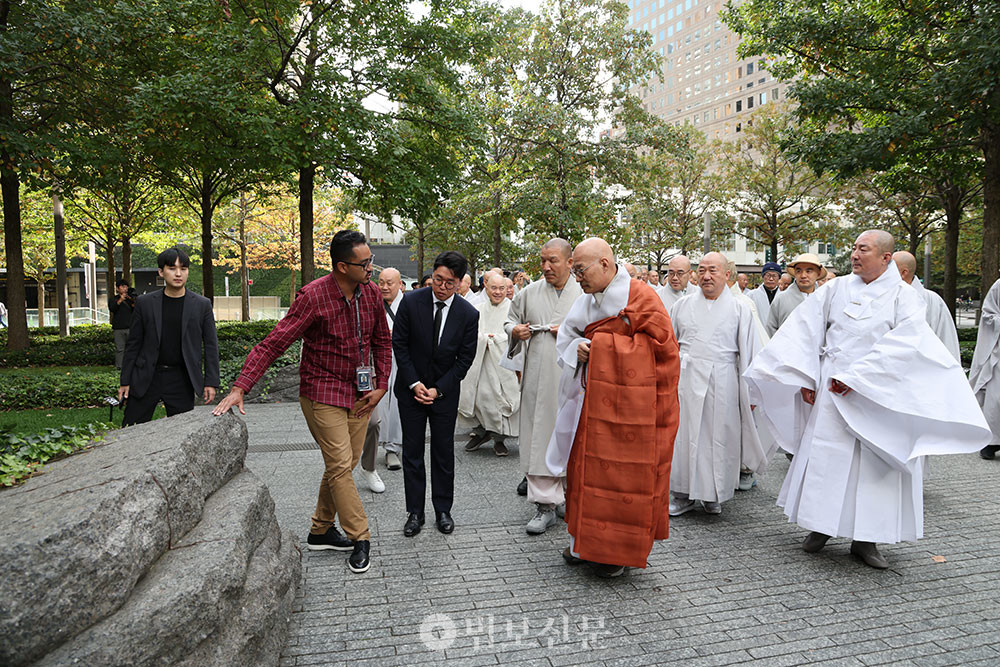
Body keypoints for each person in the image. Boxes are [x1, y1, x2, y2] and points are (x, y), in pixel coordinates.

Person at [745, 230, 990, 569]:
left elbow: (906, 343)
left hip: (877, 394)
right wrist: (807, 375)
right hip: (831, 388)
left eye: (864, 249)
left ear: (886, 257)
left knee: (874, 468)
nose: (855, 255)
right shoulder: (836, 288)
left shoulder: (904, 296)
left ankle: (866, 539)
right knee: (827, 459)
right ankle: (821, 525)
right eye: (854, 248)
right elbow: (804, 329)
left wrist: (858, 377)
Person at [212, 231, 391, 575]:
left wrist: (381, 384)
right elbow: (274, 343)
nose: (372, 268)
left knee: (343, 465)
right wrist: (241, 386)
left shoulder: (369, 292)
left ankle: (320, 530)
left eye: (371, 260)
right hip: (322, 391)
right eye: (365, 263)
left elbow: (382, 341)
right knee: (340, 466)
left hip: (361, 392)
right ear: (342, 266)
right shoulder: (313, 296)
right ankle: (361, 536)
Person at [547, 238, 680, 577]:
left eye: (581, 270)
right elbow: (568, 337)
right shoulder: (586, 300)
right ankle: (584, 543)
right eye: (575, 272)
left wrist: (602, 348)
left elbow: (665, 351)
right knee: (586, 474)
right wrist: (578, 347)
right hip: (591, 406)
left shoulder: (641, 297)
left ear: (605, 264)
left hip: (634, 412)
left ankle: (616, 553)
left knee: (623, 481)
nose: (577, 279)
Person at [668, 252, 767, 516]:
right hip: (687, 379)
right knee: (684, 435)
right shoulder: (682, 306)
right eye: (701, 270)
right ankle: (681, 493)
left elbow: (751, 352)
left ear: (726, 274)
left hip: (723, 379)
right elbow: (669, 345)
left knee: (720, 436)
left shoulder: (740, 308)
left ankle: (713, 493)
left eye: (713, 270)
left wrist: (751, 391)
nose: (707, 276)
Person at [393, 251, 479, 537]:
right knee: (412, 452)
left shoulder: (468, 314)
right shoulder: (411, 302)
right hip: (411, 391)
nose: (442, 287)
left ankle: (443, 510)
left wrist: (438, 388)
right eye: (438, 279)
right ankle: (415, 512)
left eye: (449, 283)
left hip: (444, 394)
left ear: (460, 282)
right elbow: (400, 345)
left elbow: (464, 360)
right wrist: (414, 383)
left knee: (443, 453)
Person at [506, 238, 583, 534]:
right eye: (542, 261)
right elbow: (510, 321)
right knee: (539, 434)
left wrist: (572, 335)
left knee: (571, 434)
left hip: (573, 377)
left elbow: (600, 329)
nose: (546, 266)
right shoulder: (529, 292)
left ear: (569, 262)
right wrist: (515, 331)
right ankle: (545, 505)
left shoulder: (584, 292)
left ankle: (567, 494)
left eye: (553, 260)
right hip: (538, 375)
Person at [119, 247, 219, 426]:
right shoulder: (145, 303)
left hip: (181, 378)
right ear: (161, 272)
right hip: (147, 376)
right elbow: (133, 344)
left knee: (182, 433)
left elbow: (211, 346)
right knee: (131, 428)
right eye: (172, 268)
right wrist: (125, 381)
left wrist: (211, 382)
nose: (178, 274)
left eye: (183, 269)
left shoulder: (202, 305)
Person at [460, 272, 521, 456]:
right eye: (494, 288)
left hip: (504, 365)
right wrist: (484, 340)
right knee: (481, 398)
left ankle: (499, 438)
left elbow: (517, 335)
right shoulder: (477, 309)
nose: (498, 292)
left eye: (502, 288)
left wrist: (496, 340)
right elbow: (469, 334)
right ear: (486, 287)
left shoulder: (514, 309)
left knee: (501, 399)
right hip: (481, 363)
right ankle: (482, 431)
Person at [893, 251, 960, 362]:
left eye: (889, 269)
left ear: (903, 273)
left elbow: (946, 338)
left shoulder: (933, 301)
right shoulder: (885, 298)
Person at [968, 278, 1000, 460]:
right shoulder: (998, 286)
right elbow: (988, 314)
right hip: (998, 352)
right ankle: (992, 442)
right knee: (995, 399)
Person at [376, 268, 405, 472]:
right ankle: (373, 446)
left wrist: (399, 334)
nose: (384, 287)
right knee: (376, 404)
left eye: (389, 283)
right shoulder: (373, 303)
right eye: (381, 282)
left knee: (397, 403)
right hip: (377, 359)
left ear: (400, 284)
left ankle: (393, 447)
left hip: (402, 360)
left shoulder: (409, 305)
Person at [766, 253, 826, 337]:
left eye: (809, 271)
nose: (803, 275)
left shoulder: (824, 299)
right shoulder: (781, 299)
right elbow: (770, 330)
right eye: (799, 271)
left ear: (818, 273)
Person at [109, 278, 136, 369]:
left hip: (130, 327)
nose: (125, 288)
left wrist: (132, 300)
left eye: (126, 287)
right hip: (118, 328)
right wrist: (120, 300)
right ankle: (119, 366)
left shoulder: (130, 299)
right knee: (120, 348)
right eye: (122, 286)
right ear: (117, 288)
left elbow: (137, 310)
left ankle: (132, 365)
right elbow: (112, 309)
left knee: (131, 348)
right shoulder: (113, 299)